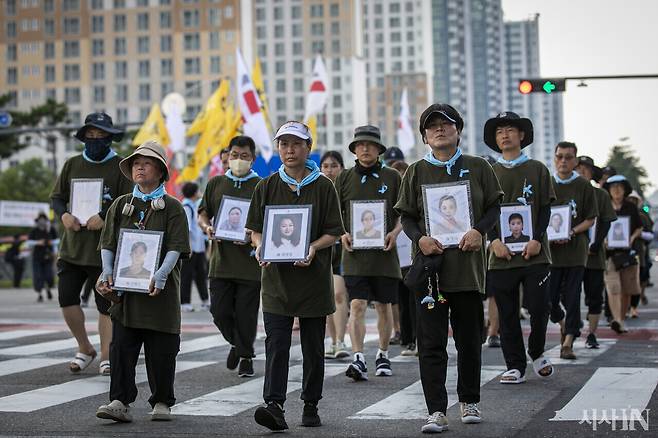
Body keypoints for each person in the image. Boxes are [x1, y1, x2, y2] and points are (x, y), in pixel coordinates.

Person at [395, 104, 502, 432]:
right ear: (425, 135)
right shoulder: (416, 171)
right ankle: (436, 410)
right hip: (431, 274)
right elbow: (406, 215)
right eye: (432, 126)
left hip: (467, 271)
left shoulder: (478, 167)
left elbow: (495, 206)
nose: (439, 129)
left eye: (446, 124)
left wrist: (478, 231)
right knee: (431, 344)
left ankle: (470, 400)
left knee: (469, 340)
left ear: (458, 130)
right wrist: (421, 238)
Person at [246, 121, 344, 431]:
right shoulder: (267, 185)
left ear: (308, 148)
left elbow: (334, 232)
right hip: (276, 282)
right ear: (278, 149)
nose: (289, 150)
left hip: (314, 282)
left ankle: (310, 403)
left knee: (313, 347)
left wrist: (313, 248)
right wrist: (261, 248)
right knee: (277, 345)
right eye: (284, 144)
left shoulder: (324, 186)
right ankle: (274, 405)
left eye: (296, 144)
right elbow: (256, 230)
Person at [95, 140, 190, 423]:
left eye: (146, 163)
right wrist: (107, 272)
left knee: (162, 349)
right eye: (136, 163)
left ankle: (162, 401)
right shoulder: (121, 204)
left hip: (160, 293)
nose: (139, 167)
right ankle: (119, 400)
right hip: (126, 293)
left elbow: (176, 247)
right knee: (121, 347)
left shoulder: (173, 207)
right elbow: (108, 243)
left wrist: (161, 275)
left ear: (160, 171)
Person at [50, 112, 133, 376]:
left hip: (104, 251)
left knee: (105, 304)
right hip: (73, 247)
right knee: (66, 299)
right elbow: (57, 198)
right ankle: (85, 347)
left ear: (109, 139)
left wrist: (105, 215)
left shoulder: (120, 166)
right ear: (84, 138)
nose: (95, 141)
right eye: (90, 137)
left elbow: (129, 203)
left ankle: (107, 354)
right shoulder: (72, 164)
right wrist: (63, 215)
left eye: (100, 137)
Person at [482, 111, 555, 385]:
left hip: (535, 253)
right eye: (500, 131)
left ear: (521, 135)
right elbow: (485, 211)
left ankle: (536, 351)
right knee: (507, 311)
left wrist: (537, 238)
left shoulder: (537, 168)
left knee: (539, 306)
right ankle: (515, 365)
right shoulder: (489, 172)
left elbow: (546, 208)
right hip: (501, 257)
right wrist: (494, 241)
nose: (505, 135)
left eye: (510, 129)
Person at [335, 125, 402, 381]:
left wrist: (394, 234)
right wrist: (343, 233)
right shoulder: (344, 178)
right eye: (360, 145)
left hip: (384, 254)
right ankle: (359, 357)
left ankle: (383, 354)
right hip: (354, 254)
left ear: (378, 149)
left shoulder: (393, 178)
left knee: (384, 306)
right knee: (357, 304)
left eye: (370, 145)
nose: (364, 148)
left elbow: (405, 214)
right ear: (354, 149)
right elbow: (335, 214)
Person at [198, 135, 262, 378]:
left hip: (249, 263)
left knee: (246, 313)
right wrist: (207, 228)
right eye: (235, 155)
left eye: (244, 156)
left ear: (252, 159)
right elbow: (203, 214)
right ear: (227, 156)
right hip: (221, 263)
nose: (238, 160)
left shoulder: (261, 186)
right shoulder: (216, 183)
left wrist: (252, 235)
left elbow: (270, 221)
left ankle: (246, 356)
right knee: (219, 311)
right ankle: (237, 343)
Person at [549, 141, 597, 360]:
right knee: (547, 298)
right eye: (559, 157)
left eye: (568, 157)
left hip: (576, 251)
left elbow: (590, 218)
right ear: (554, 158)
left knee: (572, 296)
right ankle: (563, 323)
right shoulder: (547, 183)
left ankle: (568, 341)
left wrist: (572, 231)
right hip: (551, 252)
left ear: (576, 161)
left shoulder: (584, 186)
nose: (563, 161)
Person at [575, 156, 616, 349]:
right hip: (572, 255)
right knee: (569, 294)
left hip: (594, 254)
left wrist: (596, 244)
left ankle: (591, 333)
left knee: (594, 296)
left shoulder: (601, 195)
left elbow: (606, 221)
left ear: (592, 173)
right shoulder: (567, 193)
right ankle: (572, 326)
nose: (581, 172)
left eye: (585, 169)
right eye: (578, 168)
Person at [602, 175, 642, 334]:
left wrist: (631, 238)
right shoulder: (604, 207)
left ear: (625, 190)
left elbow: (639, 227)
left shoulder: (631, 208)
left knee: (626, 289)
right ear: (609, 191)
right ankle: (616, 319)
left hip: (628, 254)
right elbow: (598, 226)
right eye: (613, 187)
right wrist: (603, 239)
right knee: (613, 288)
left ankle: (622, 318)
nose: (616, 190)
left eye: (619, 187)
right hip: (609, 255)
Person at [320, 150, 349, 359]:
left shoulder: (347, 189)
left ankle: (340, 341)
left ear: (341, 168)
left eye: (334, 165)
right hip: (322, 250)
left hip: (343, 250)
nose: (330, 170)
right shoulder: (317, 190)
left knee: (338, 294)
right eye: (326, 166)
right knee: (327, 296)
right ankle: (332, 340)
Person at [390, 159, 417, 356]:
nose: (399, 177)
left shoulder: (412, 195)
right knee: (399, 300)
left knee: (413, 300)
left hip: (412, 255)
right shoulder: (388, 198)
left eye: (402, 173)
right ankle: (407, 338)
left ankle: (416, 339)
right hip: (393, 256)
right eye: (395, 174)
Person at [180, 182, 209, 312]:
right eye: (197, 191)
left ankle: (205, 300)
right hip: (191, 248)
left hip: (199, 247)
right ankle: (185, 302)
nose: (199, 193)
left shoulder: (194, 205)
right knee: (187, 275)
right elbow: (186, 229)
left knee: (201, 275)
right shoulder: (186, 206)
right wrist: (189, 247)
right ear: (193, 192)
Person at [627, 191, 654, 313]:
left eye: (634, 200)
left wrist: (638, 234)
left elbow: (650, 235)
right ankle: (625, 307)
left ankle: (633, 307)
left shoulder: (643, 216)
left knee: (639, 280)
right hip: (622, 254)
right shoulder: (621, 214)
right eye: (630, 200)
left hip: (640, 253)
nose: (632, 202)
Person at [27, 213, 58, 301]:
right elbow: (29, 242)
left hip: (48, 257)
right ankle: (40, 294)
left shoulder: (51, 229)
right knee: (38, 276)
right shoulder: (34, 231)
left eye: (43, 219)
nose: (42, 222)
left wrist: (51, 243)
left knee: (48, 275)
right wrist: (38, 242)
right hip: (37, 257)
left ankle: (48, 289)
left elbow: (57, 241)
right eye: (40, 220)